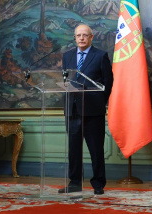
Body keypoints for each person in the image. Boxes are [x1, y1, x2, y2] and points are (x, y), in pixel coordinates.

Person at [59, 24, 114, 195]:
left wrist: (100, 102)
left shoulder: (100, 56)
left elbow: (108, 82)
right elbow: (66, 79)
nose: (81, 38)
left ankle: (98, 184)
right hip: (72, 109)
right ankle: (75, 182)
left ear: (91, 37)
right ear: (74, 38)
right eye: (78, 35)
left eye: (85, 35)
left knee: (95, 149)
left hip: (93, 110)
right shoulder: (67, 56)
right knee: (74, 149)